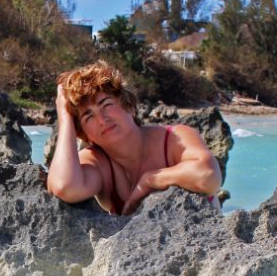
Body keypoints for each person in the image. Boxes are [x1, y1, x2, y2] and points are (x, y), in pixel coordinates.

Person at [46, 61, 221, 215]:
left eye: (106, 105)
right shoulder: (97, 161)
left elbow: (208, 176)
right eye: (88, 116)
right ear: (84, 134)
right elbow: (64, 187)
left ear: (129, 106)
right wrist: (64, 116)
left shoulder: (174, 138)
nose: (102, 120)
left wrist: (150, 180)